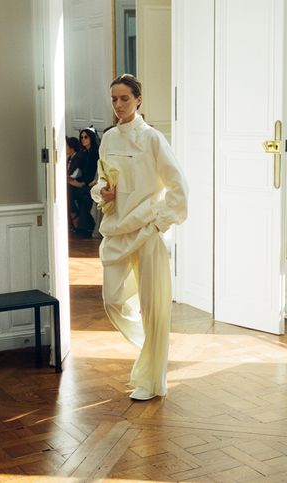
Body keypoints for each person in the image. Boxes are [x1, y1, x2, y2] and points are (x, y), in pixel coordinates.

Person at [91, 74, 188, 401]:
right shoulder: (107, 139)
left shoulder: (153, 140)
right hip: (117, 229)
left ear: (138, 100)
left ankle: (152, 378)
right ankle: (153, 349)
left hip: (147, 231)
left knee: (153, 307)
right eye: (114, 99)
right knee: (112, 300)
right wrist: (102, 193)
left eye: (124, 99)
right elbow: (100, 185)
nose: (118, 105)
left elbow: (179, 188)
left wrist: (160, 223)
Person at [70, 127, 99, 237]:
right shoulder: (84, 153)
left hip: (92, 183)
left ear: (91, 138)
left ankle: (83, 225)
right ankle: (75, 218)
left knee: (85, 196)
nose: (83, 139)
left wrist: (84, 183)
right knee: (68, 190)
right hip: (85, 183)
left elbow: (94, 173)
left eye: (86, 137)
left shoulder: (95, 153)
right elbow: (80, 172)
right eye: (81, 137)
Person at [66, 136, 81, 229]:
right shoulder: (69, 157)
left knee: (68, 190)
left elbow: (77, 173)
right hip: (70, 182)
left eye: (66, 146)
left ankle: (74, 214)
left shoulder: (77, 157)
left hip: (77, 182)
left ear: (71, 147)